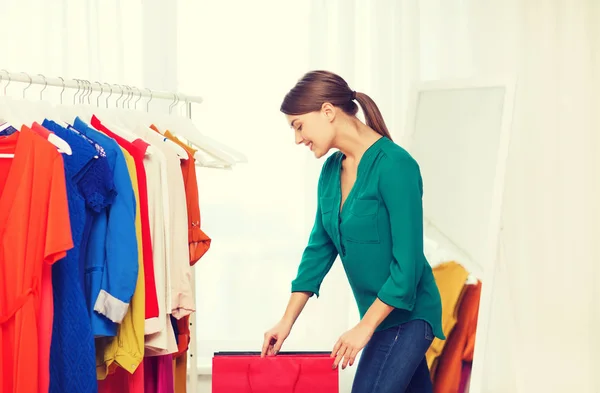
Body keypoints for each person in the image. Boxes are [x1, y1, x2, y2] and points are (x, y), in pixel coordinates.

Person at [261, 70, 445, 393]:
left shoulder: (396, 166)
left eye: (298, 126)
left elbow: (408, 269)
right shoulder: (331, 172)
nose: (297, 138)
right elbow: (318, 251)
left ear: (328, 111)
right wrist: (286, 321)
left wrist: (364, 328)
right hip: (380, 320)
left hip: (410, 316)